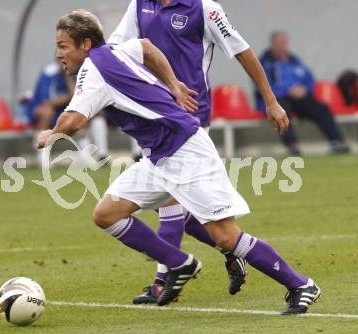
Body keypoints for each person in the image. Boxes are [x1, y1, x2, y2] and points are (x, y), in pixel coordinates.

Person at [37, 9, 320, 314]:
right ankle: (179, 263)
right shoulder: (115, 50)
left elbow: (75, 119)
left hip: (185, 151)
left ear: (86, 45)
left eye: (64, 46)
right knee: (107, 213)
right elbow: (147, 47)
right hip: (158, 157)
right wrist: (172, 84)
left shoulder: (93, 69)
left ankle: (301, 285)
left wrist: (50, 134)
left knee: (225, 235)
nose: (58, 54)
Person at [108, 0, 286, 304]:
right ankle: (231, 252)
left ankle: (164, 282)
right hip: (155, 118)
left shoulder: (205, 9)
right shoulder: (139, 5)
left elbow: (241, 50)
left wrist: (270, 100)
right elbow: (115, 49)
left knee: (171, 205)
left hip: (191, 119)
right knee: (188, 216)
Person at [256, 31, 349, 155]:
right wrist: (288, 90)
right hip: (277, 99)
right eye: (278, 43)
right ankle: (292, 145)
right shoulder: (264, 63)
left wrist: (304, 90)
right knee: (282, 110)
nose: (281, 46)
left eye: (283, 43)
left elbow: (310, 80)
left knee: (321, 108)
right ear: (272, 45)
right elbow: (263, 85)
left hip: (299, 98)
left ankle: (337, 141)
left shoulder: (295, 61)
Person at [27, 60, 109, 164]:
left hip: (63, 109)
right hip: (45, 110)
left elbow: (80, 99)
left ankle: (88, 154)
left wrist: (69, 78)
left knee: (86, 112)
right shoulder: (49, 72)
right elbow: (46, 102)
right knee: (47, 112)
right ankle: (42, 153)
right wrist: (67, 98)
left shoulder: (78, 71)